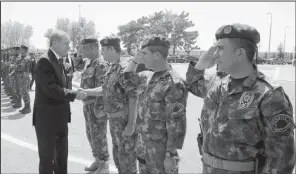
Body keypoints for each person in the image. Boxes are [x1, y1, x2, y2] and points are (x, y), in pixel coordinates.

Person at [186, 23, 295, 174]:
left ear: (240, 53)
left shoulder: (270, 95)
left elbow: (282, 160)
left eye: (221, 48)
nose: (215, 54)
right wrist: (201, 64)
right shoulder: (217, 82)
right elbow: (192, 85)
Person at [121, 35, 188, 174]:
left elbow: (176, 124)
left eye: (145, 53)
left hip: (161, 154)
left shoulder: (173, 83)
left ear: (157, 55)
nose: (141, 56)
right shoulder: (146, 77)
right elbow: (126, 78)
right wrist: (134, 61)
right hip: (143, 149)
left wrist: (170, 155)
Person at [79, 36, 138, 174]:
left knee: (127, 158)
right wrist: (84, 91)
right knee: (119, 156)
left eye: (104, 49)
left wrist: (131, 124)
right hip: (114, 120)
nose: (102, 52)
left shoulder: (125, 67)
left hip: (123, 120)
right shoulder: (113, 67)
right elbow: (104, 89)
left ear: (112, 49)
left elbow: (133, 98)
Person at [33, 29, 87, 174]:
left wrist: (77, 89)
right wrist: (74, 95)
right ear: (55, 43)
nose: (69, 46)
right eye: (66, 43)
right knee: (47, 159)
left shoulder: (62, 60)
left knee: (62, 158)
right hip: (47, 120)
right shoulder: (45, 60)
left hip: (60, 118)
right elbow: (51, 88)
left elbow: (64, 84)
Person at [78, 38, 110, 173]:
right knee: (91, 135)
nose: (81, 51)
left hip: (97, 107)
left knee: (99, 136)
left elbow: (103, 89)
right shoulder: (90, 64)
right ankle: (98, 160)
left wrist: (84, 92)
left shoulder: (101, 65)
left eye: (84, 48)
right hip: (88, 106)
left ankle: (104, 164)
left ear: (93, 48)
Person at [17, 45, 32, 114]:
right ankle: (25, 107)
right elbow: (18, 66)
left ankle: (28, 108)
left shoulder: (26, 58)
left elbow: (22, 68)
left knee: (25, 92)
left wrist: (18, 66)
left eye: (21, 49)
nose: (20, 51)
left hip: (25, 77)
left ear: (25, 50)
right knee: (23, 92)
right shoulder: (22, 58)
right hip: (21, 77)